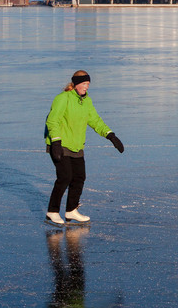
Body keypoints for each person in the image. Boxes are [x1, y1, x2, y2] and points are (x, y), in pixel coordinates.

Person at [44, 70, 124, 225]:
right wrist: (55, 142)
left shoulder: (86, 101)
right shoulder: (63, 98)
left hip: (76, 145)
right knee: (65, 177)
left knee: (79, 177)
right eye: (84, 84)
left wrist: (111, 136)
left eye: (88, 84)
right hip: (60, 144)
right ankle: (52, 211)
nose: (86, 87)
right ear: (75, 84)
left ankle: (71, 211)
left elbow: (95, 120)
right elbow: (52, 121)